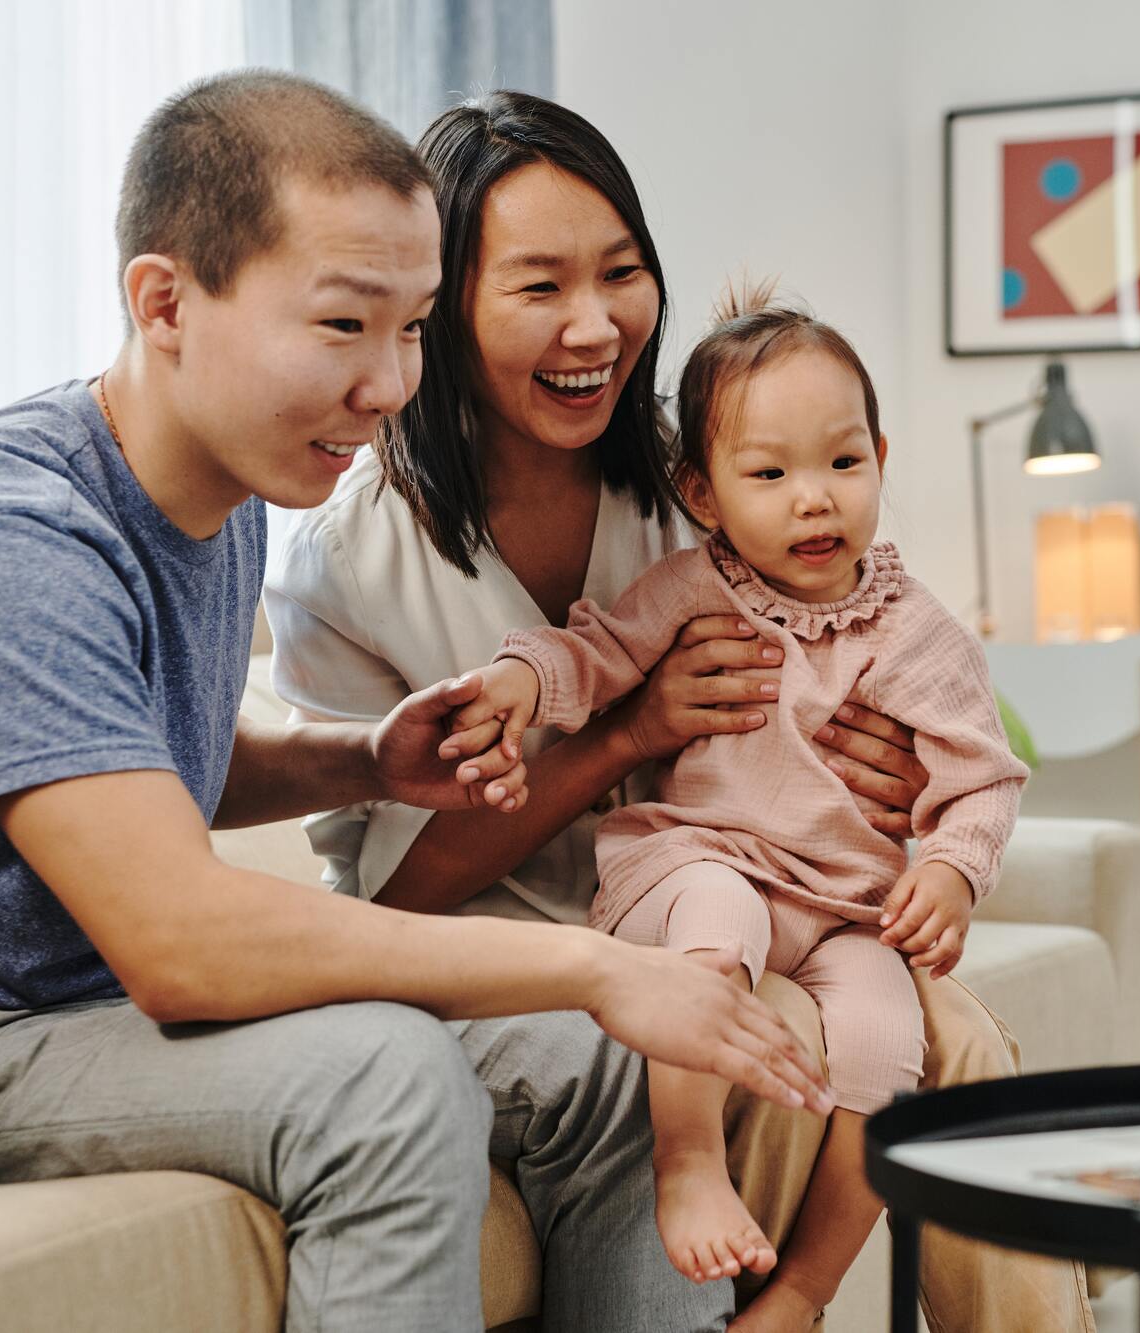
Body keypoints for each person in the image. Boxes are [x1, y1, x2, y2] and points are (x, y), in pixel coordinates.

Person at [0, 70, 828, 1333]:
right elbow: (183, 943)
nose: (388, 384)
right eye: (342, 326)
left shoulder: (227, 493)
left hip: (75, 1024)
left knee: (614, 1072)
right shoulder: (1, 532)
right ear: (163, 302)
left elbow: (134, 761)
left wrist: (361, 760)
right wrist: (591, 964)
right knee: (384, 1075)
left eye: (413, 326)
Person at [266, 90, 1095, 1332]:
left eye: (622, 272)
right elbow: (398, 907)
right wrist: (625, 731)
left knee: (955, 1042)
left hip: (770, 896)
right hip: (524, 959)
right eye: (538, 285)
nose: (594, 324)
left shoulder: (707, 472)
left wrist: (881, 785)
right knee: (744, 1021)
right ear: (441, 304)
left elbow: (874, 665)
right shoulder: (355, 563)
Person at [450, 282, 1030, 1329]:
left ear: (880, 460)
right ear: (704, 493)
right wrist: (520, 683)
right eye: (769, 474)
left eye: (842, 463)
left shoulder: (917, 632)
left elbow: (979, 776)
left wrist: (948, 867)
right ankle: (683, 1164)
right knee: (722, 920)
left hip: (845, 908)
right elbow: (591, 653)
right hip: (693, 867)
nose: (814, 500)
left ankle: (803, 1286)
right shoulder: (689, 589)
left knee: (887, 1049)